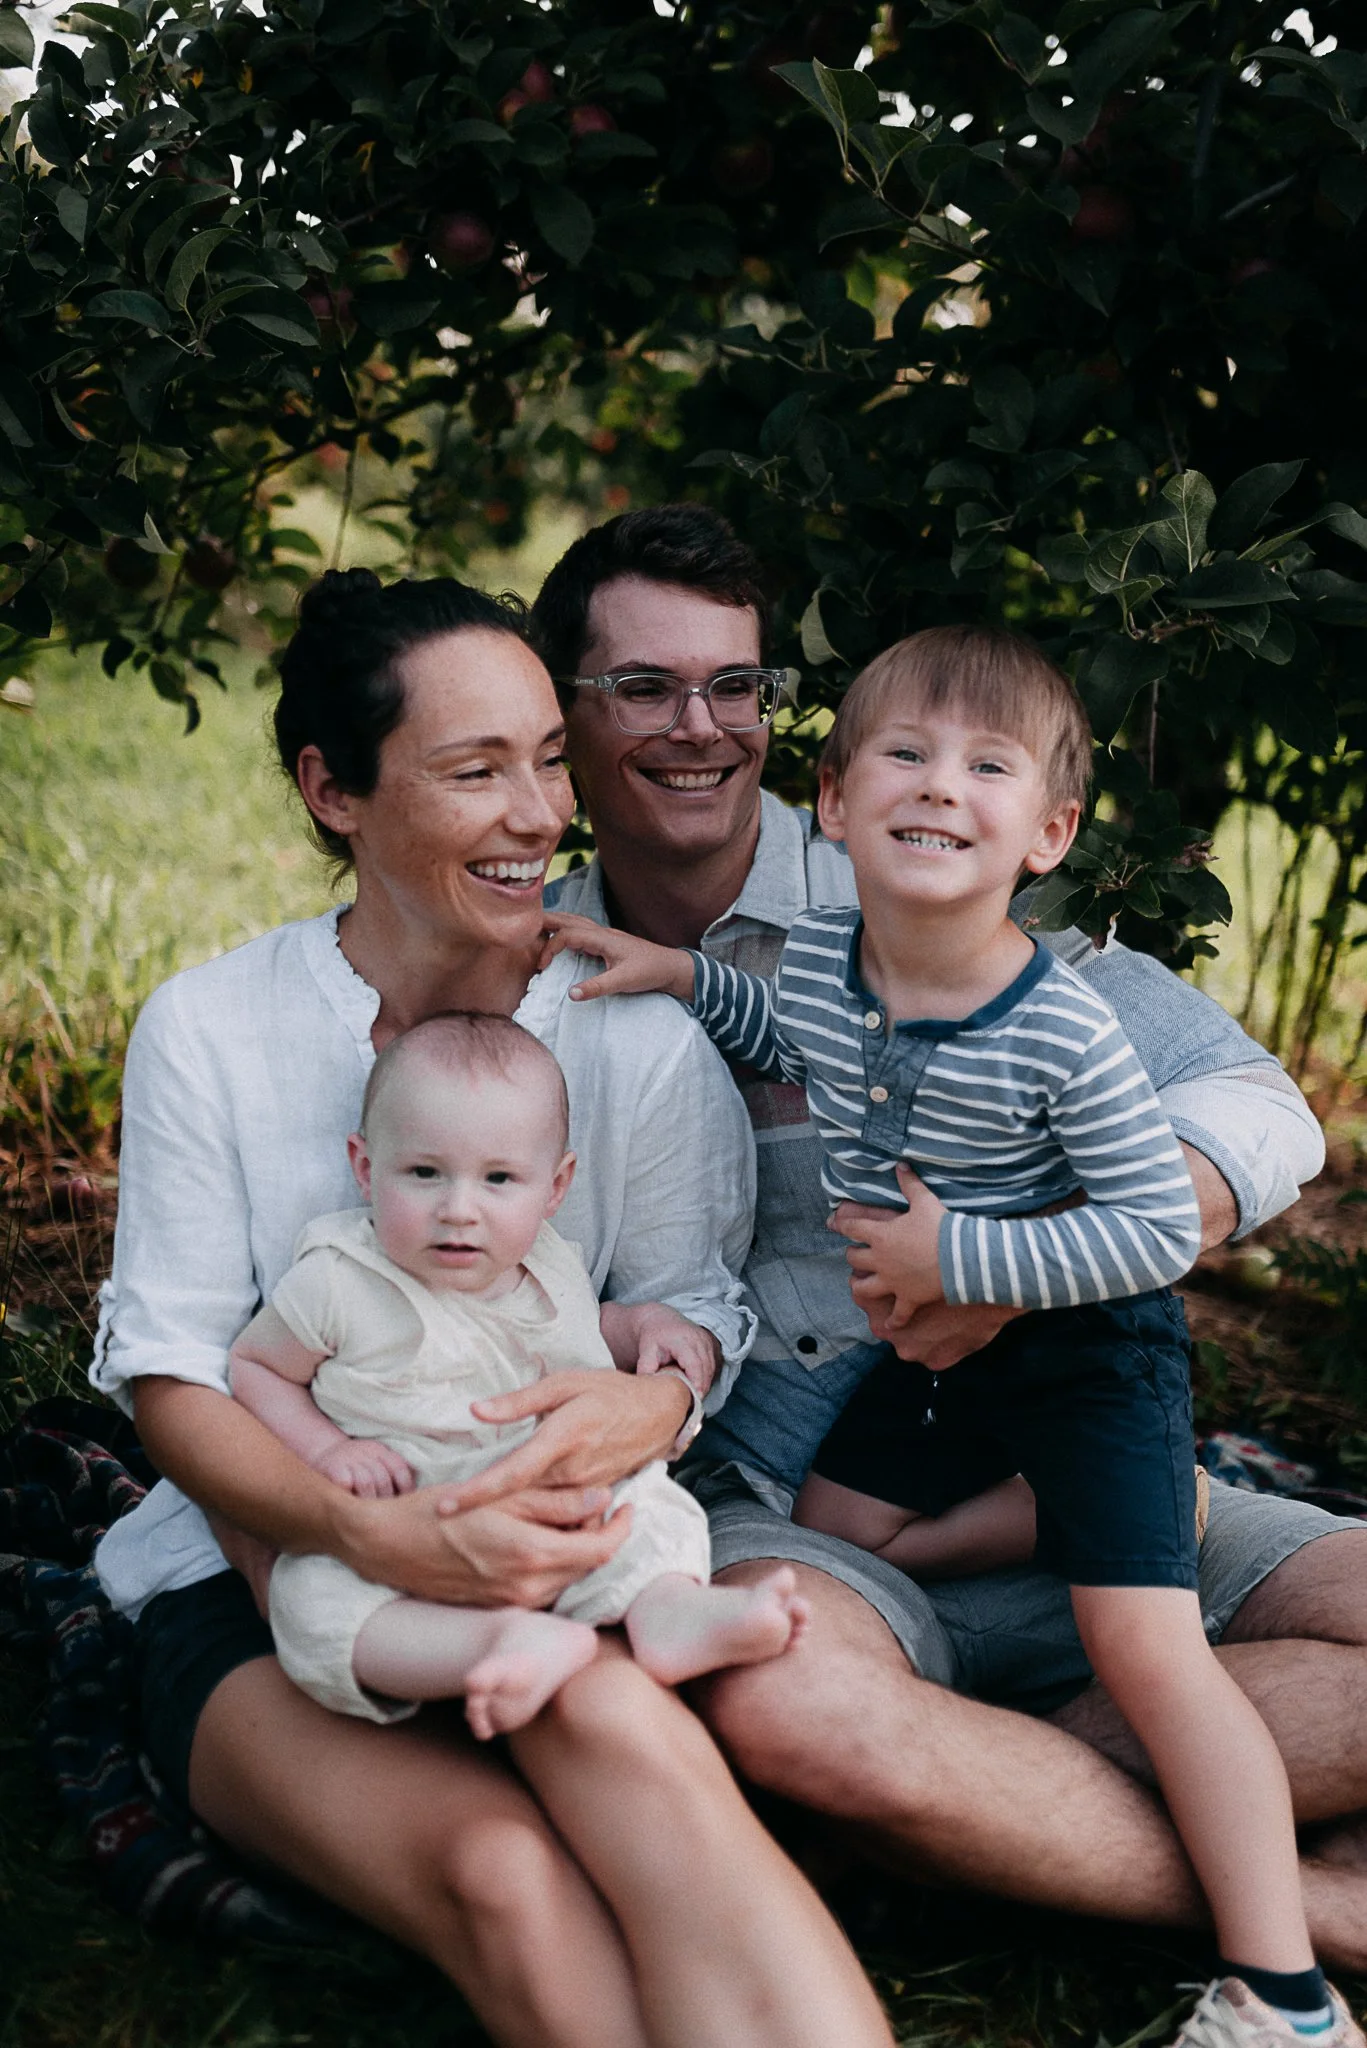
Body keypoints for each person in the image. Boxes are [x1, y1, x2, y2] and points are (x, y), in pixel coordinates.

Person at [530, 505, 1367, 1976]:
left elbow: (1257, 1113)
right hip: (791, 1503)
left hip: (1059, 1464)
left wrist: (994, 1262)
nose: (695, 727)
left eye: (732, 685)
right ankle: (1296, 1910)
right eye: (640, 688)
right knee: (792, 1713)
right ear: (566, 715)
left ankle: (947, 1821)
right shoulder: (541, 967)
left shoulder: (941, 870)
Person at [86, 568, 895, 2048]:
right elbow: (170, 1377)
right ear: (332, 790)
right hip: (267, 1577)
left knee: (632, 1746)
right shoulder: (213, 1029)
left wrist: (649, 1398)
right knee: (505, 1876)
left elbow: (684, 1301)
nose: (539, 814)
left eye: (541, 756)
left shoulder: (630, 1036)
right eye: (474, 771)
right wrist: (370, 1534)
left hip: (545, 1555)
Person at [231, 1010, 807, 1740]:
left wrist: (644, 1326)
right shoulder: (339, 1280)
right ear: (365, 1167)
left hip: (554, 1514)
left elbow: (589, 1326)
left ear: (556, 1185)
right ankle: (491, 1647)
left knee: (650, 1508)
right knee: (308, 1597)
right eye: (424, 1174)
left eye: (499, 1178)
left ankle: (667, 1614)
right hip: (403, 1529)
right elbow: (256, 1369)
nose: (458, 1210)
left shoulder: (549, 1265)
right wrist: (327, 1451)